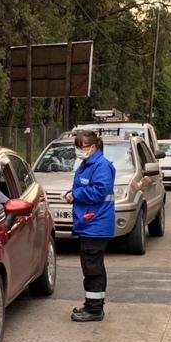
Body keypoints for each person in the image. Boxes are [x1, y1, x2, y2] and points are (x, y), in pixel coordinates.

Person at [66, 130, 115, 322]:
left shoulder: (101, 166)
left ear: (93, 147)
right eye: (77, 147)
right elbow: (83, 186)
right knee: (93, 265)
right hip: (89, 223)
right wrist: (71, 193)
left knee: (92, 267)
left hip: (96, 223)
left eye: (81, 146)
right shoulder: (87, 164)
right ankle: (93, 304)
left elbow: (99, 191)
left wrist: (75, 195)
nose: (78, 150)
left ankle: (94, 309)